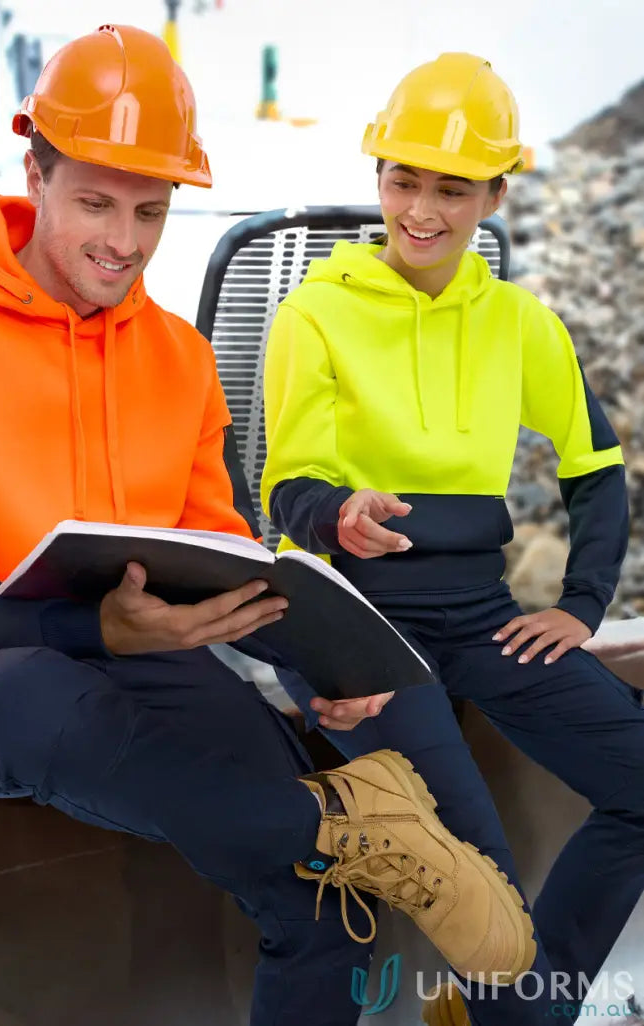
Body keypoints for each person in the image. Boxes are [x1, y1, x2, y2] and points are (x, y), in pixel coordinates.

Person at [0, 29, 533, 1026]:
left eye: (149, 212)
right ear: (35, 170)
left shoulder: (177, 356)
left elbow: (218, 556)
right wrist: (95, 632)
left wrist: (323, 663)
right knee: (53, 697)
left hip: (154, 654)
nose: (122, 241)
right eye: (93, 203)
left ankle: (330, 825)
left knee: (320, 905)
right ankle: (333, 813)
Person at [261, 51, 644, 1026]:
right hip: (356, 627)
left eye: (451, 186)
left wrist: (577, 604)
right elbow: (286, 486)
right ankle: (514, 1011)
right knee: (482, 899)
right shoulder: (314, 314)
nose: (421, 209)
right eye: (401, 180)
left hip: (478, 617)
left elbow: (595, 470)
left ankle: (507, 1014)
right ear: (376, 176)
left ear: (493, 192)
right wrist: (336, 516)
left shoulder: (520, 324)